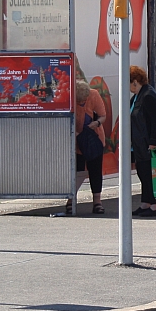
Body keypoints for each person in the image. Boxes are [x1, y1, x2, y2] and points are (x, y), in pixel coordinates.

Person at [129, 65, 156, 217]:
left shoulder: (148, 95)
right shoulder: (136, 97)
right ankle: (146, 202)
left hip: (148, 143)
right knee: (143, 173)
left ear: (135, 82)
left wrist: (154, 141)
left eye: (129, 84)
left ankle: (155, 205)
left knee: (151, 173)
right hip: (139, 143)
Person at [69, 79, 107, 215]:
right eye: (79, 101)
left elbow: (103, 115)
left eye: (83, 100)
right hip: (77, 140)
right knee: (76, 171)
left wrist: (96, 123)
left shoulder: (93, 94)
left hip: (93, 138)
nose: (81, 103)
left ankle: (97, 202)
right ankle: (71, 200)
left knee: (95, 170)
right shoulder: (70, 97)